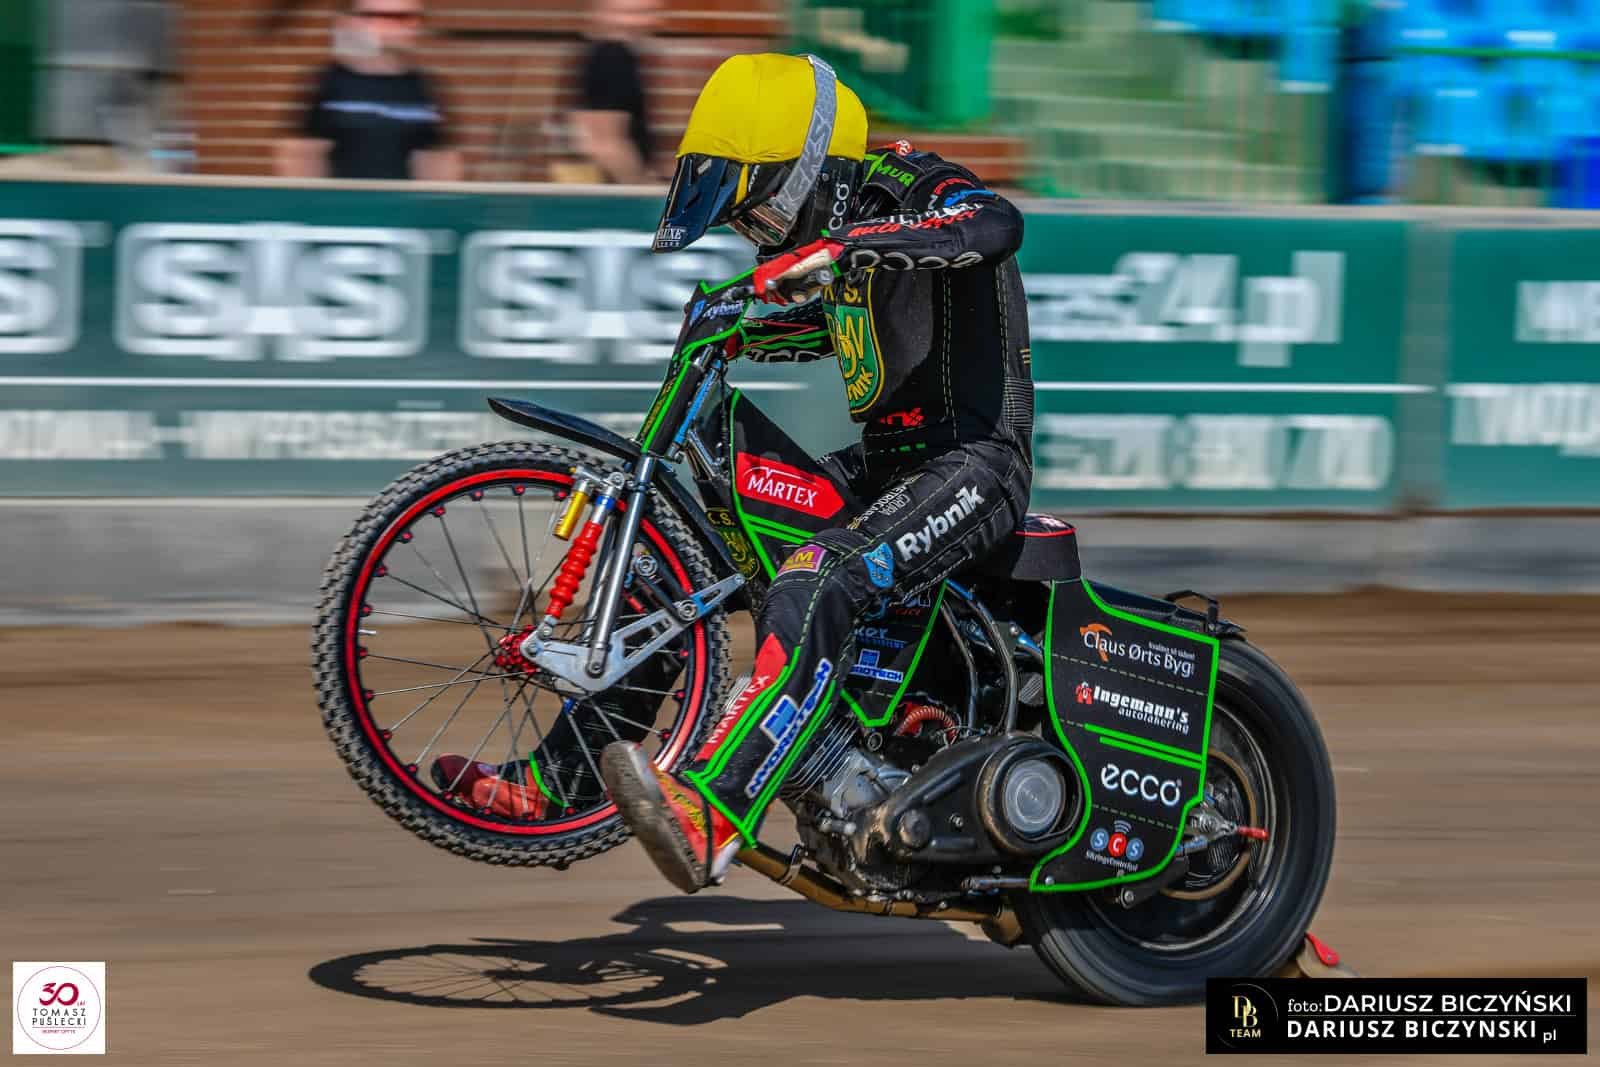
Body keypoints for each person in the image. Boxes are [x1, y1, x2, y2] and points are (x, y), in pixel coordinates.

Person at [596, 52, 1037, 892]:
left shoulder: (912, 187)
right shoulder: (843, 258)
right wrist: (730, 326)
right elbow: (831, 329)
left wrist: (844, 247)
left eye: (759, 213)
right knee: (672, 573)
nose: (757, 235)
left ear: (809, 171)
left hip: (975, 465)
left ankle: (717, 810)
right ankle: (560, 784)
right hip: (886, 471)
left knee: (816, 576)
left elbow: (997, 224)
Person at [276, 0, 461, 181]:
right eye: (387, 17)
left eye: (410, 18)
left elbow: (437, 165)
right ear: (352, 22)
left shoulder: (425, 88)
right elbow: (300, 160)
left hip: (400, 202)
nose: (403, 27)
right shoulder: (325, 84)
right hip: (340, 201)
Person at [568, 0, 659, 183]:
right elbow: (603, 142)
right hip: (614, 187)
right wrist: (641, 186)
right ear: (603, 14)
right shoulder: (613, 57)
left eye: (649, 12)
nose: (644, 21)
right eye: (631, 13)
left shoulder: (604, 54)